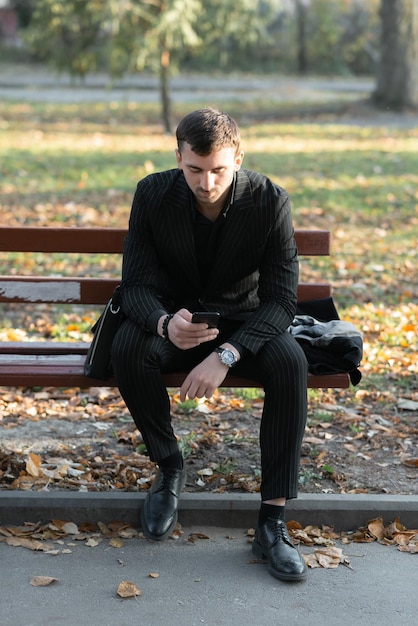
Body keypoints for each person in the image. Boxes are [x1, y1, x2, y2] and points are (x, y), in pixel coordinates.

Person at [112, 107, 308, 582]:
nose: (206, 183)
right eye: (194, 170)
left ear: (238, 158)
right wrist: (162, 324)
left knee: (291, 364)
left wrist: (228, 355)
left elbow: (282, 302)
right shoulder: (153, 194)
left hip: (245, 325)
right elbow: (134, 286)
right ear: (178, 157)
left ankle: (272, 522)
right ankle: (170, 467)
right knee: (127, 350)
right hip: (176, 318)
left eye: (218, 169)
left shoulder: (269, 200)